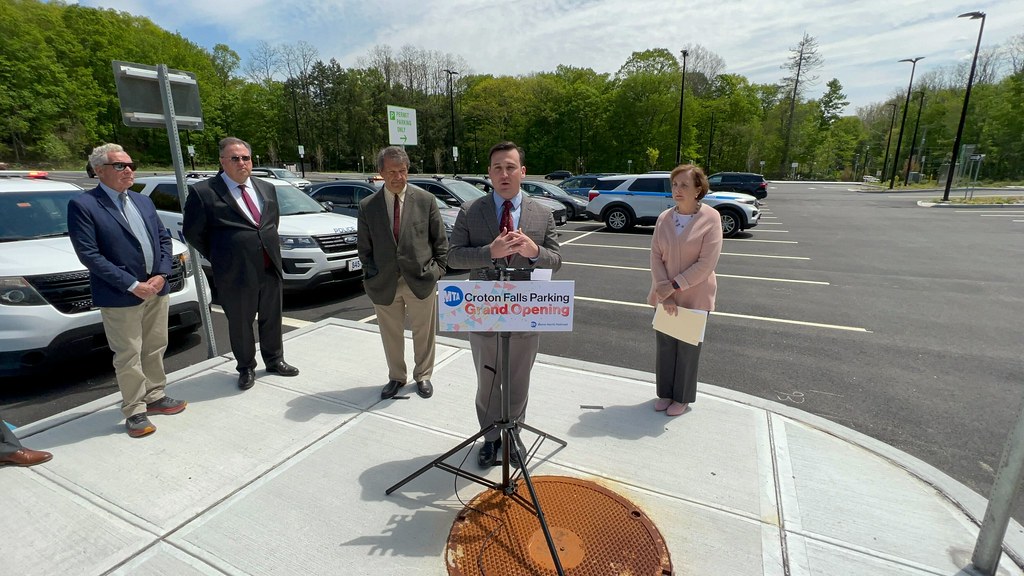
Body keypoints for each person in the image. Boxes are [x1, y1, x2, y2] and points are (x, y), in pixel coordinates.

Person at [447, 141, 561, 468]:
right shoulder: (471, 211)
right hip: (482, 311)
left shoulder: (542, 213)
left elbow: (556, 260)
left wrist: (534, 253)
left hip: (526, 312)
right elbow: (453, 256)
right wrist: (488, 252)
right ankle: (490, 438)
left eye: (510, 167)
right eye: (497, 167)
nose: (504, 173)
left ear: (522, 172)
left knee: (518, 378)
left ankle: (513, 434)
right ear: (489, 173)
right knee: (488, 379)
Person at [68, 144, 187, 438]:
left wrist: (161, 274)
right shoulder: (85, 205)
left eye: (130, 164)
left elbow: (163, 239)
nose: (129, 170)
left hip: (156, 288)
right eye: (120, 166)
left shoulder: (141, 201)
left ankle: (155, 395)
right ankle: (134, 410)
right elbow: (90, 255)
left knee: (155, 346)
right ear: (99, 171)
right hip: (122, 295)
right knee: (128, 354)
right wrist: (133, 284)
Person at [183, 137, 299, 390]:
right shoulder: (204, 192)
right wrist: (224, 255)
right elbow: (193, 233)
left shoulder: (266, 188)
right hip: (234, 273)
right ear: (222, 161)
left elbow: (269, 224)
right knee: (241, 323)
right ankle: (246, 367)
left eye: (246, 158)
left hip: (269, 267)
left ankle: (275, 360)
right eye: (234, 158)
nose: (242, 163)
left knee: (272, 318)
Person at [358, 146, 448, 400]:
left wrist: (436, 272)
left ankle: (424, 376)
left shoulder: (425, 200)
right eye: (392, 172)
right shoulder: (368, 206)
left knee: (424, 333)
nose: (398, 177)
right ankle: (397, 377)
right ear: (380, 173)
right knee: (391, 335)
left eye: (402, 171)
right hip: (384, 282)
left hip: (420, 279)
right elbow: (364, 247)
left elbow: (440, 242)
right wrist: (371, 274)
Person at [647, 164, 723, 417]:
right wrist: (664, 292)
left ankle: (682, 398)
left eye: (684, 185)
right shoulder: (664, 218)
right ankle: (666, 394)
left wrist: (674, 286)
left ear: (698, 189)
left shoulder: (711, 218)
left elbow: (706, 263)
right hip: (666, 294)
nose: (677, 190)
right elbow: (656, 257)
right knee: (666, 347)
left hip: (695, 295)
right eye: (675, 185)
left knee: (688, 350)